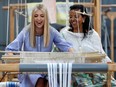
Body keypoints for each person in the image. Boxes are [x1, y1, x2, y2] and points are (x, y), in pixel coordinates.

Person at [5, 4, 74, 87]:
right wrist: (14, 59)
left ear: (46, 18)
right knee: (40, 81)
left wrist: (73, 53)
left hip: (47, 70)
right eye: (36, 16)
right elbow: (11, 49)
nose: (39, 19)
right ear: (32, 18)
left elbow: (66, 46)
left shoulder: (52, 31)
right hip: (30, 70)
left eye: (42, 16)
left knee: (50, 82)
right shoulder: (26, 31)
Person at [60, 5, 116, 86]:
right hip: (75, 73)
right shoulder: (64, 34)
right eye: (70, 17)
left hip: (94, 71)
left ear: (83, 18)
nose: (72, 19)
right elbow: (59, 54)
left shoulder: (92, 34)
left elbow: (101, 54)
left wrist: (109, 65)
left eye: (76, 16)